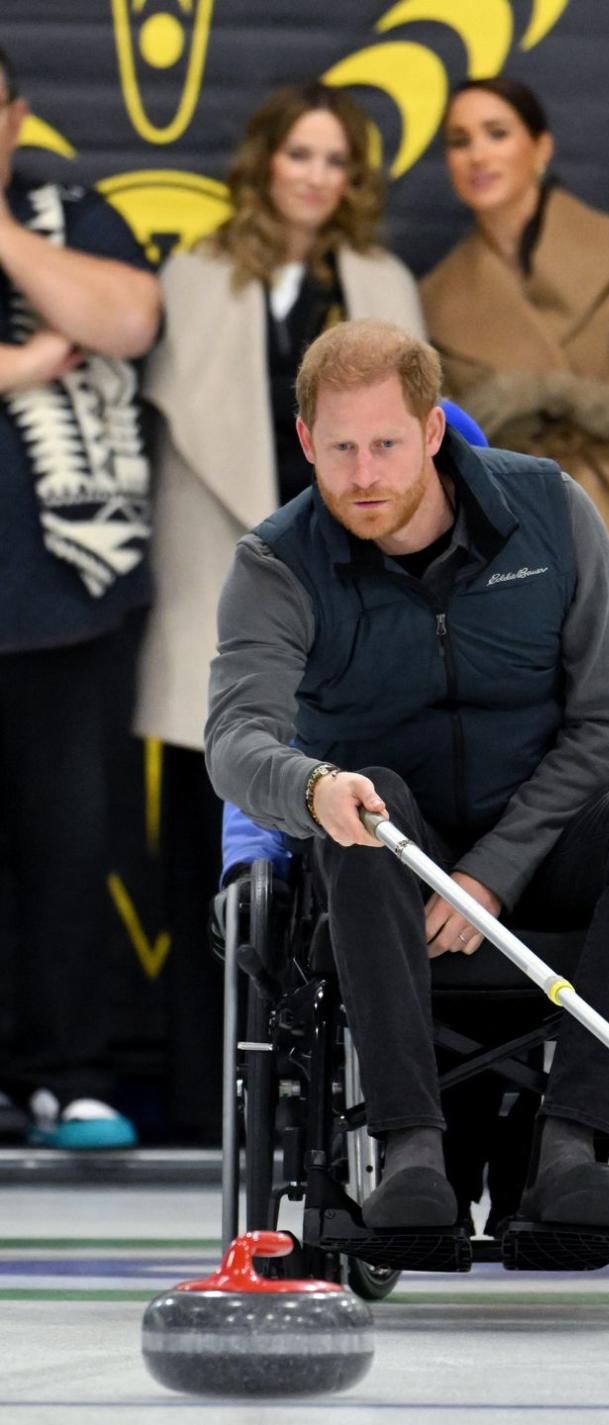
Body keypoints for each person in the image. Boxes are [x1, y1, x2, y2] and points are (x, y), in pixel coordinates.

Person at [205, 319, 609, 1230]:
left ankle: (573, 1139)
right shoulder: (275, 564)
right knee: (361, 801)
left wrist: (493, 873)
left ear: (434, 431)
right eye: (341, 447)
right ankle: (411, 1149)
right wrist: (312, 787)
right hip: (392, 858)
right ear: (305, 441)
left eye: (388, 444)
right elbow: (235, 738)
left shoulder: (552, 512)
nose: (364, 475)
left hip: (546, 847)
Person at [134, 80, 425, 1140]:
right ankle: (205, 1098)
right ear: (263, 163)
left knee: (348, 832)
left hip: (353, 585)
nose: (314, 176)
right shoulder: (200, 270)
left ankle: (332, 1095)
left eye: (334, 159)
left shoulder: (383, 278)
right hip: (220, 571)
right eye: (298, 154)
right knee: (213, 849)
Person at [420, 77, 609, 669]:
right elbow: (440, 445)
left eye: (497, 133)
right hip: (508, 557)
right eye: (459, 141)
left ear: (541, 148)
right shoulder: (435, 300)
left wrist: (556, 395)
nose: (477, 154)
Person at [0, 43, 161, 1146]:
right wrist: (21, 364)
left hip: (67, 591)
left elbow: (129, 320)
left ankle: (73, 1071)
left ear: (15, 118)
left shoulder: (66, 207)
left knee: (70, 842)